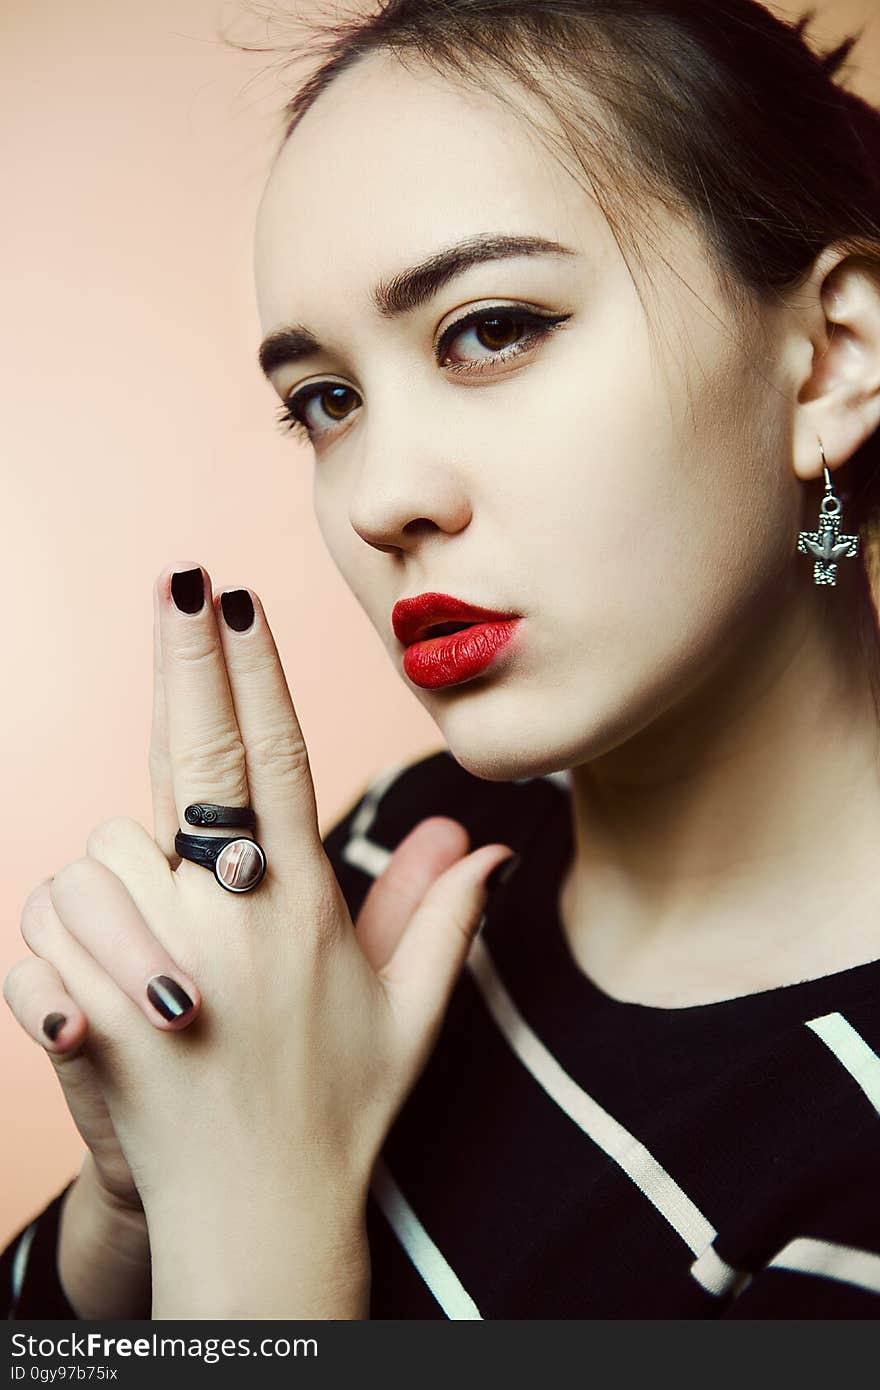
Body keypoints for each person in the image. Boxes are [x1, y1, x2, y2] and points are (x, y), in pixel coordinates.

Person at [4, 0, 880, 1319]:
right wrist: (135, 1207)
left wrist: (256, 1212)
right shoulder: (390, 856)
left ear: (830, 359)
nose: (378, 496)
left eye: (492, 327)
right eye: (328, 401)